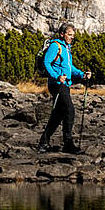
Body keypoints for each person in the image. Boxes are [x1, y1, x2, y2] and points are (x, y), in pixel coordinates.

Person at [38, 22, 87, 153]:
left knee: (58, 115)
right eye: (69, 35)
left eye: (73, 35)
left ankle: (43, 142)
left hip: (65, 85)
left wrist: (82, 74)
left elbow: (70, 68)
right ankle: (68, 143)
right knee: (69, 110)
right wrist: (56, 76)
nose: (72, 37)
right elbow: (46, 62)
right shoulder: (56, 46)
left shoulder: (67, 48)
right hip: (57, 85)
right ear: (62, 34)